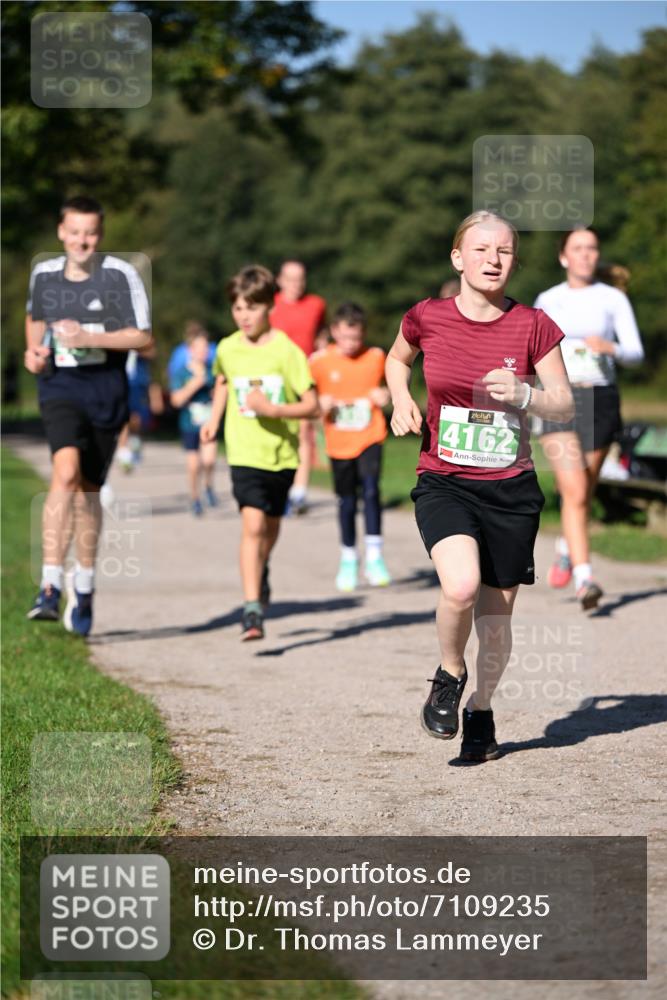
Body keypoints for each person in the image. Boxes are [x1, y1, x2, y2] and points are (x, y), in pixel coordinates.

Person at [385, 211, 573, 762]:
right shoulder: (427, 316)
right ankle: (449, 674)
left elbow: (564, 403)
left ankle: (481, 709)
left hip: (510, 489)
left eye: (505, 251)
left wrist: (524, 394)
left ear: (514, 261)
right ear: (458, 258)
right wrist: (401, 398)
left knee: (495, 622)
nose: (493, 260)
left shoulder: (534, 325)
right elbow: (396, 359)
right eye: (482, 249)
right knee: (461, 586)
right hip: (445, 480)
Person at [24, 195, 152, 635]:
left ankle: (85, 584)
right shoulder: (44, 274)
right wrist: (34, 352)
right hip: (60, 386)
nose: (82, 241)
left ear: (101, 234)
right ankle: (49, 585)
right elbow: (35, 318)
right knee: (64, 474)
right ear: (61, 232)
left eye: (90, 233)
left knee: (89, 493)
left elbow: (142, 337)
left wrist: (89, 336)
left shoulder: (121, 275)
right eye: (74, 232)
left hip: (105, 390)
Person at [200, 265, 319, 641]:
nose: (244, 316)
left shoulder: (287, 352)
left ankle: (261, 565)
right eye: (237, 308)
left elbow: (312, 405)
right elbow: (223, 381)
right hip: (243, 452)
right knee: (252, 526)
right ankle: (252, 609)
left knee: (270, 526)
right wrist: (213, 420)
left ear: (270, 306)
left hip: (281, 455)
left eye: (251, 307)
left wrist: (274, 410)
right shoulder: (227, 348)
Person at [534, 228, 644, 610]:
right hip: (559, 398)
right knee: (576, 490)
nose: (586, 254)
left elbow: (636, 352)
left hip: (601, 398)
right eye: (577, 248)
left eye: (592, 248)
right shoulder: (548, 300)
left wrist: (611, 347)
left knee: (585, 486)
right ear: (563, 256)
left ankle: (567, 546)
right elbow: (531, 349)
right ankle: (585, 579)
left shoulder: (612, 298)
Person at [310, 302, 391, 591]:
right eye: (345, 337)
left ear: (363, 334)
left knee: (370, 491)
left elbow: (395, 385)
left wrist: (386, 394)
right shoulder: (319, 362)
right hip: (339, 441)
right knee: (346, 499)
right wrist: (319, 404)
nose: (350, 344)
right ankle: (348, 558)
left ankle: (375, 557)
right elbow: (304, 398)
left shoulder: (376, 357)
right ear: (334, 331)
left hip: (370, 435)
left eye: (356, 338)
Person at [270, 259, 326, 514]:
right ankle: (280, 486)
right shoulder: (270, 305)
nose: (296, 284)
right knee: (279, 433)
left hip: (305, 378)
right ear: (280, 280)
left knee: (304, 433)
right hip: (276, 379)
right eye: (290, 279)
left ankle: (299, 492)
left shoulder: (316, 305)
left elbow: (321, 335)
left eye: (300, 279)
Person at [169, 329, 218, 515]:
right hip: (189, 423)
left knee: (209, 460)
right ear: (190, 350)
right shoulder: (182, 372)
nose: (203, 352)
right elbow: (176, 400)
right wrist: (196, 382)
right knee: (193, 465)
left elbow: (221, 393)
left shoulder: (213, 369)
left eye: (206, 348)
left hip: (209, 423)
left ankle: (208, 486)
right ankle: (195, 497)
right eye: (199, 348)